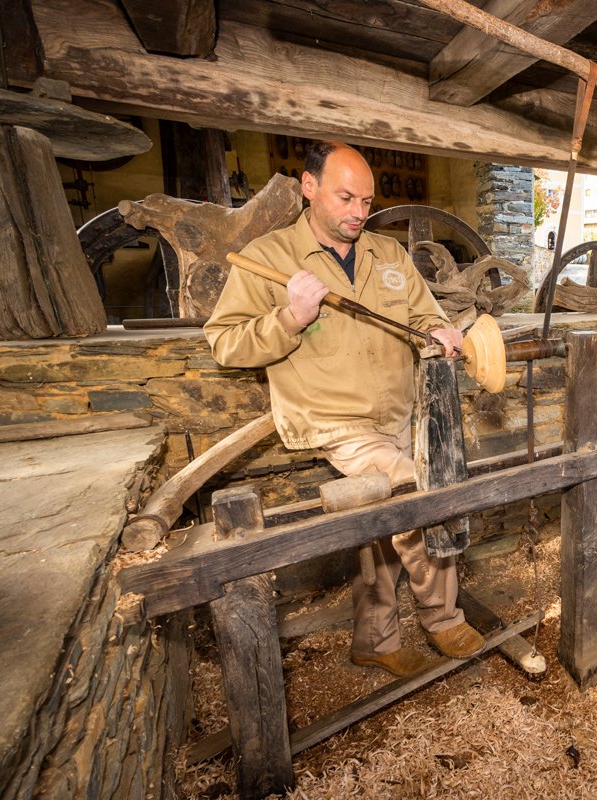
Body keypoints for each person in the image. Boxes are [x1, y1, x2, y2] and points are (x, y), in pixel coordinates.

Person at [205, 141, 484, 676]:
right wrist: (289, 317)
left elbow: (424, 318)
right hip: (334, 420)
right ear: (308, 187)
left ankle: (374, 641)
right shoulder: (268, 258)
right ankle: (443, 619)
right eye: (345, 197)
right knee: (416, 496)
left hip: (399, 413)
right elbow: (225, 343)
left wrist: (440, 334)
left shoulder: (389, 254)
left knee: (380, 524)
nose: (359, 211)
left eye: (366, 200)